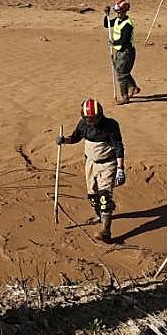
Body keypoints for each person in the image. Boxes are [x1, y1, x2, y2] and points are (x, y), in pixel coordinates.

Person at [57, 98, 125, 242]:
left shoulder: (111, 126)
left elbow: (119, 147)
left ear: (100, 114)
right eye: (88, 119)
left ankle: (106, 230)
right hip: (90, 164)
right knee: (93, 196)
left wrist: (120, 169)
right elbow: (75, 138)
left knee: (104, 196)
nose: (91, 121)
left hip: (107, 164)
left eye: (94, 118)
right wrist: (64, 140)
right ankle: (102, 214)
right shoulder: (83, 125)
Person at [105, 0, 140, 102]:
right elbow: (106, 24)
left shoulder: (128, 24)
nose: (117, 14)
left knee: (121, 74)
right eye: (116, 12)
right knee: (122, 71)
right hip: (119, 51)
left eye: (119, 12)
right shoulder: (116, 20)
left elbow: (124, 40)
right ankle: (133, 87)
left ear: (125, 12)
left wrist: (113, 43)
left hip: (127, 52)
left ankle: (124, 97)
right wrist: (106, 14)